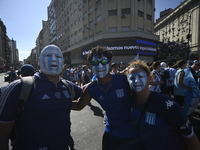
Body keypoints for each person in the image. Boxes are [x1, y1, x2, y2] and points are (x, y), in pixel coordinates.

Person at [0, 44, 82, 150]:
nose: (53, 60)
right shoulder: (19, 87)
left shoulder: (68, 86)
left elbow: (86, 93)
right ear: (39, 61)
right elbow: (3, 134)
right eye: (48, 56)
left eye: (58, 57)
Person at [72, 46, 142, 150]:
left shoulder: (124, 80)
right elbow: (78, 105)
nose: (100, 66)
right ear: (91, 66)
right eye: (95, 63)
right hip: (111, 135)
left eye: (104, 62)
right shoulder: (91, 89)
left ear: (109, 63)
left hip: (133, 135)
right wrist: (55, 102)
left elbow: (143, 93)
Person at [126, 60, 200, 150]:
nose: (136, 81)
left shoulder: (166, 104)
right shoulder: (131, 101)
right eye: (132, 78)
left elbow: (190, 136)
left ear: (149, 78)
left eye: (141, 76)